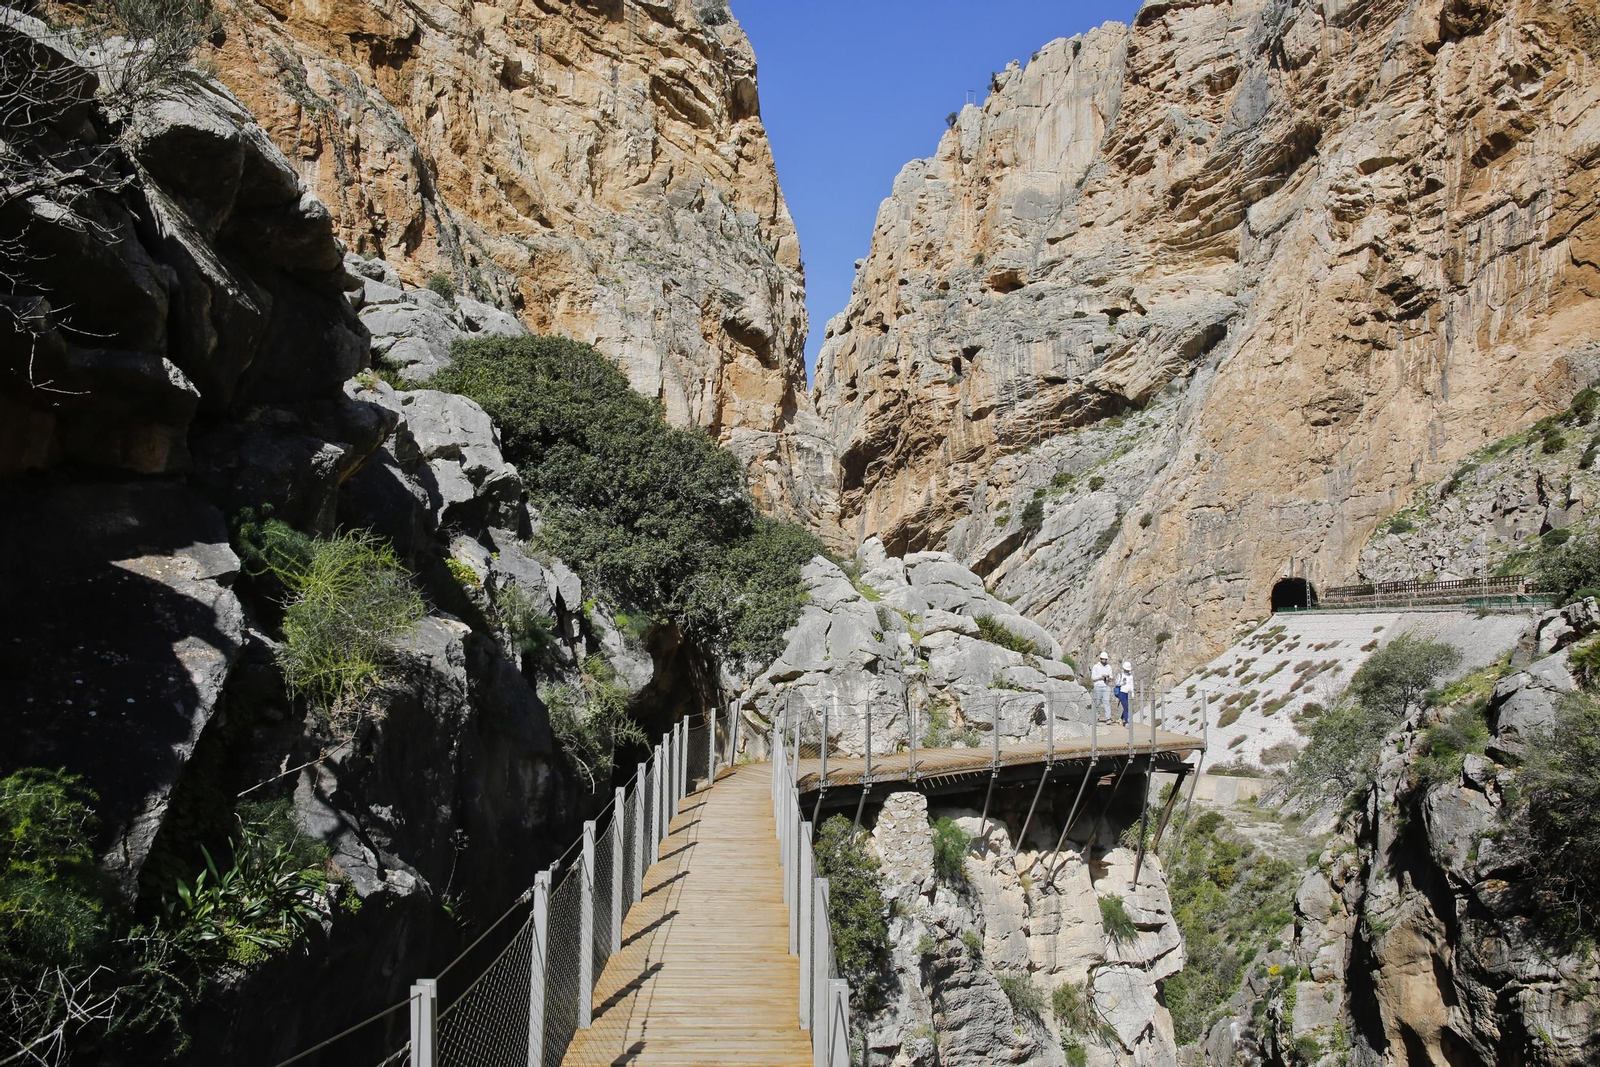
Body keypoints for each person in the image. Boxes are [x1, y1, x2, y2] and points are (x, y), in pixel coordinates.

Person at [1091, 651, 1114, 722]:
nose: (1104, 661)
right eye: (1103, 659)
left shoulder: (1109, 667)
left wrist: (1108, 677)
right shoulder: (1096, 666)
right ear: (1100, 659)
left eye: (1105, 659)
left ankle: (1108, 718)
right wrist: (1101, 676)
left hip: (1106, 685)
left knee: (1107, 702)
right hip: (1098, 686)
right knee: (1097, 702)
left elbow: (1111, 676)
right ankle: (1096, 716)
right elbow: (1093, 678)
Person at [1115, 660, 1134, 725]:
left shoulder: (1131, 676)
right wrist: (1122, 683)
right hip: (1122, 692)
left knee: (1128, 707)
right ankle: (1127, 721)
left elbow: (1131, 685)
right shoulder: (1120, 675)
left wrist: (1132, 693)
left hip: (1129, 693)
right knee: (1126, 707)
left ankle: (1121, 718)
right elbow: (1117, 683)